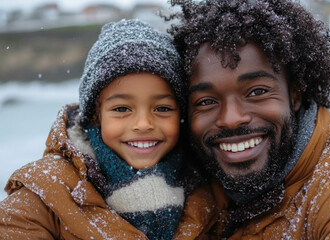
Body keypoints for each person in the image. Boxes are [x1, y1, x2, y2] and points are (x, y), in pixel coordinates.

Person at [167, 0, 330, 239]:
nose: (231, 119)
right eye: (206, 101)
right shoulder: (186, 183)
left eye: (257, 92)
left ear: (295, 94)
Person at [0, 19, 193, 240]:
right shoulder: (47, 191)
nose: (143, 124)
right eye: (122, 108)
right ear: (95, 116)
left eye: (162, 108)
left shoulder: (203, 186)